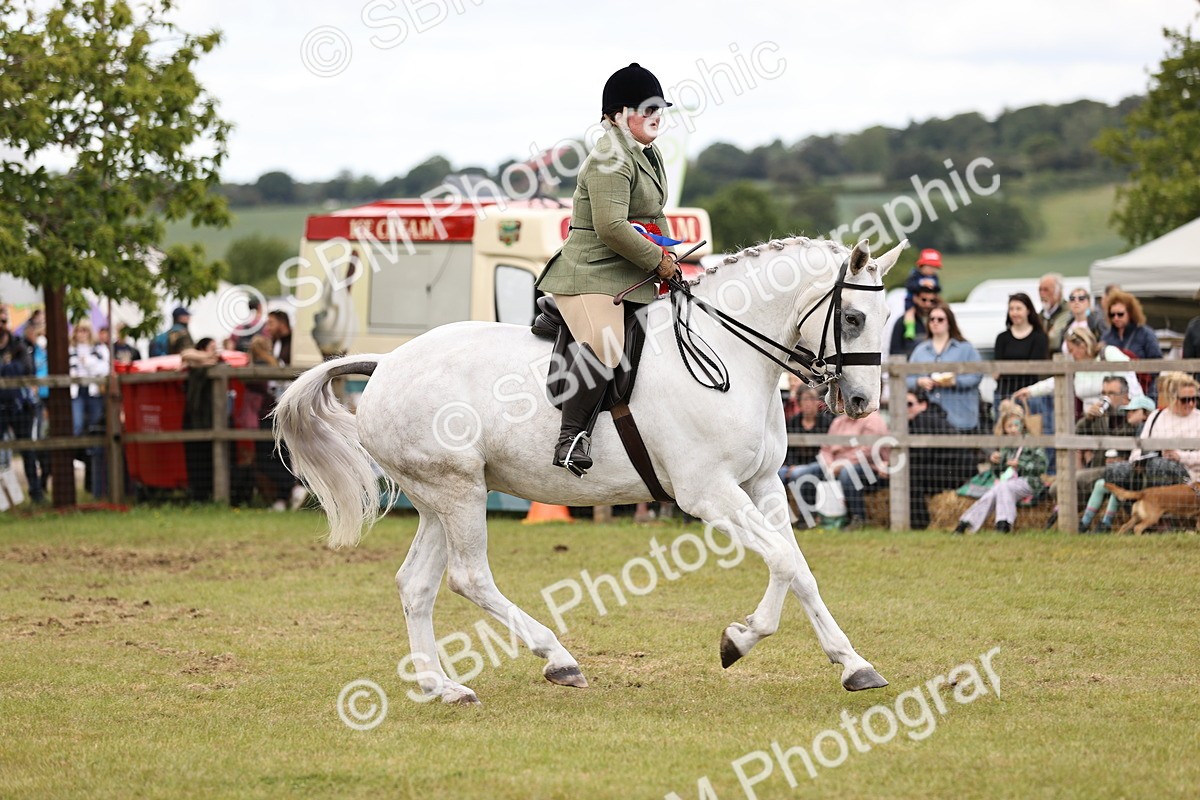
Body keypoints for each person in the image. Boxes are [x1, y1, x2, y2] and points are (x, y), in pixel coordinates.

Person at [534, 62, 678, 475]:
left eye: (659, 108)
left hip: (628, 275)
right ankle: (571, 437)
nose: (656, 115)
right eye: (646, 107)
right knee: (607, 344)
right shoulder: (609, 159)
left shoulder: (648, 155)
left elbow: (653, 215)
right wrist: (657, 262)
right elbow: (612, 227)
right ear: (616, 115)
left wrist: (672, 259)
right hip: (589, 273)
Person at [785, 409, 890, 531]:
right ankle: (808, 519)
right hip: (834, 464)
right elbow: (825, 448)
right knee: (802, 474)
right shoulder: (838, 422)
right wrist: (830, 465)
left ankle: (857, 519)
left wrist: (843, 464)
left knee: (847, 473)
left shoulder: (873, 420)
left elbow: (868, 451)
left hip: (866, 466)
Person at [954, 402, 1048, 534]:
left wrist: (1020, 464)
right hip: (1009, 484)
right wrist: (996, 463)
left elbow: (1042, 466)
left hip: (1029, 482)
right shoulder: (1005, 445)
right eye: (1009, 426)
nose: (1013, 429)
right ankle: (966, 524)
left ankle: (1002, 524)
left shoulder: (1031, 442)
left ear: (1022, 425)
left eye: (1016, 425)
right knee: (995, 491)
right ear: (1004, 428)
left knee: (1002, 487)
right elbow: (999, 474)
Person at [1013, 327, 1143, 413]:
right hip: (1089, 422)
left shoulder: (1108, 353)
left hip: (1118, 417)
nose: (1070, 355)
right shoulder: (1075, 368)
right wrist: (1030, 391)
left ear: (1082, 345)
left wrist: (1137, 408)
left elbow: (1129, 379)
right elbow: (1056, 382)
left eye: (1071, 350)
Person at [1078, 396, 1154, 532]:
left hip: (1141, 478)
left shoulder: (1145, 429)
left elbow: (1145, 458)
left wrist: (1121, 462)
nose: (1128, 413)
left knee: (1114, 482)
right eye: (1127, 411)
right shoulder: (1128, 429)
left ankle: (1101, 524)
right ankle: (1087, 524)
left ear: (1146, 414)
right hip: (1129, 475)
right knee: (1106, 483)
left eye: (1134, 410)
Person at [906, 388, 976, 530]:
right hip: (953, 469)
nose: (905, 409)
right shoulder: (927, 418)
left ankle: (918, 524)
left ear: (923, 405)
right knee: (911, 472)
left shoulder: (924, 419)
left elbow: (920, 457)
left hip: (956, 472)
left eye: (909, 404)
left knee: (909, 474)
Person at [907, 302, 983, 433]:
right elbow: (905, 378)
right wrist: (919, 382)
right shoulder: (920, 350)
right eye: (931, 319)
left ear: (949, 322)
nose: (935, 322)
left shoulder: (965, 348)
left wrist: (955, 381)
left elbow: (977, 374)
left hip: (960, 417)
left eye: (940, 319)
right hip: (929, 420)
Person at [0, 309, 40, 503]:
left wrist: (5, 369)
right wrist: (9, 369)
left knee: (28, 451)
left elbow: (26, 368)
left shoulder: (18, 345)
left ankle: (36, 494)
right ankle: (4, 500)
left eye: (4, 319)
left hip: (19, 406)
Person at [992, 292, 1049, 407]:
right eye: (1011, 309)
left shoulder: (1039, 337)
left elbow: (1034, 367)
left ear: (1028, 310)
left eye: (1018, 309)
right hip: (1005, 394)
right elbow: (997, 370)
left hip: (1030, 395)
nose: (1014, 313)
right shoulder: (1002, 338)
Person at [1101, 289, 1162, 361]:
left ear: (1130, 313)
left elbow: (1156, 361)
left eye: (1120, 314)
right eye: (1112, 315)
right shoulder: (1106, 337)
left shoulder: (1146, 334)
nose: (1116, 318)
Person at [890, 283, 939, 358]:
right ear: (915, 298)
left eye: (932, 301)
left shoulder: (940, 320)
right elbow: (895, 352)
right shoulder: (903, 321)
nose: (927, 304)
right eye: (924, 300)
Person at [1060, 287, 1105, 353]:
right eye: (1072, 299)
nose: (1076, 302)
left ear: (1089, 303)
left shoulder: (1097, 323)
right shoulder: (1066, 326)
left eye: (1081, 298)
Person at [1037, 274, 1070, 352]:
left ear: (1058, 292)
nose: (1042, 294)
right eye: (1040, 290)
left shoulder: (1069, 312)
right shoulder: (1040, 316)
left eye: (1046, 290)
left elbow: (1054, 341)